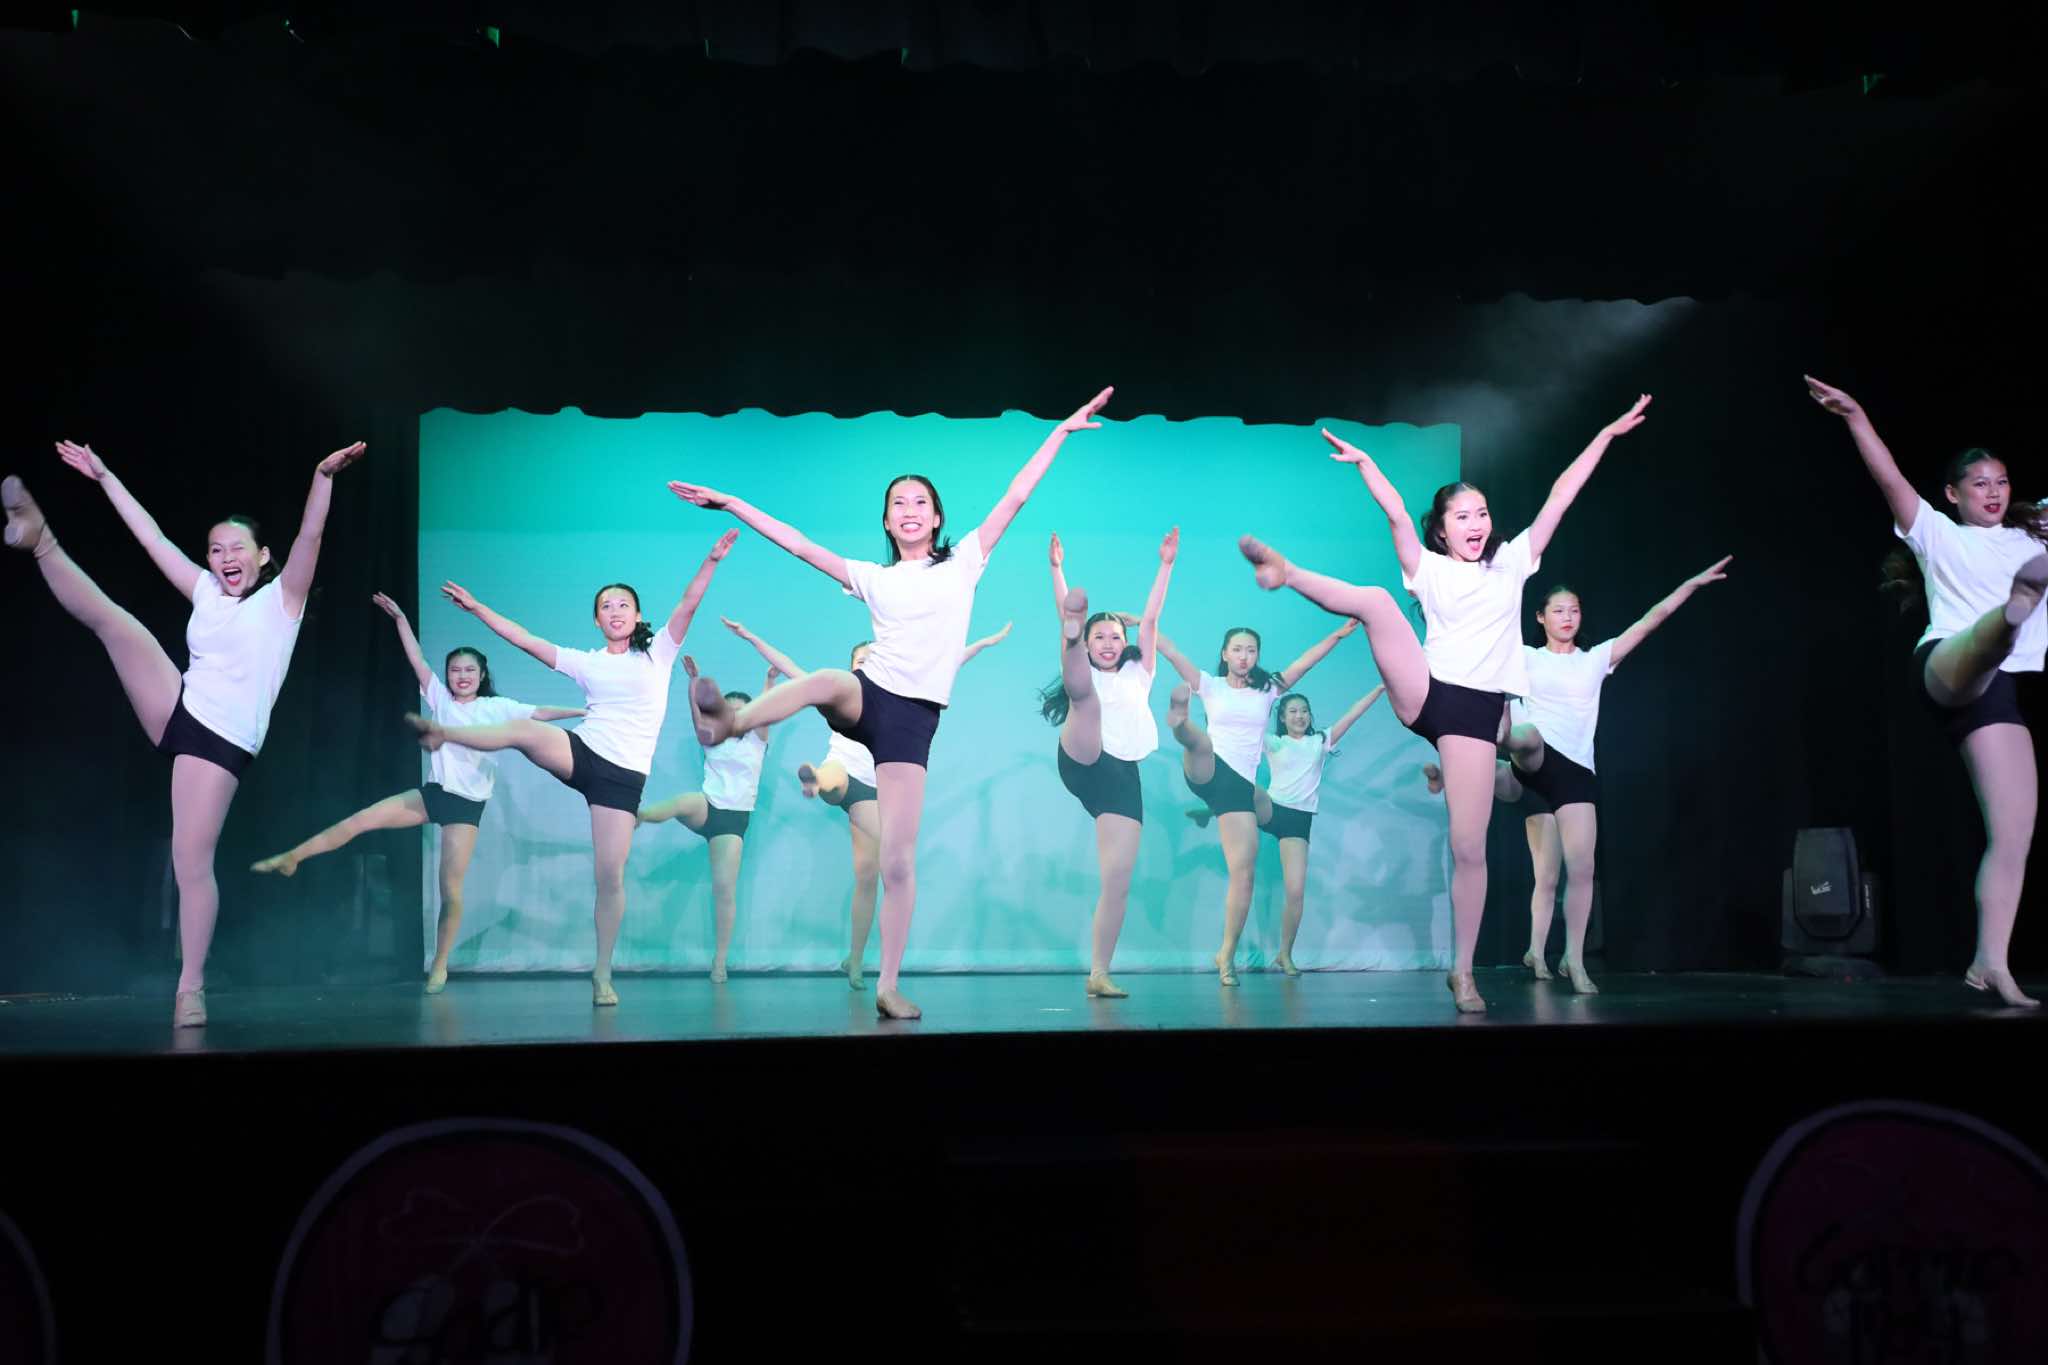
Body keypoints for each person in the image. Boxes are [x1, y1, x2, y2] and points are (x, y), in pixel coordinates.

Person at [670, 386, 1114, 1019]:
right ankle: (731, 722)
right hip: (871, 692)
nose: (909, 510)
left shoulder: (965, 561)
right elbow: (798, 544)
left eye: (920, 502)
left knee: (898, 862)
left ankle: (888, 983)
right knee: (828, 680)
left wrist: (1060, 433)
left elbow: (1016, 495)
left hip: (912, 722)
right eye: (897, 503)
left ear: (936, 518)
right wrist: (734, 503)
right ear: (886, 521)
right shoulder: (872, 577)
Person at [1240, 397, 1652, 1011]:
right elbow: (1396, 515)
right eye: (1462, 516)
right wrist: (1368, 466)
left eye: (1482, 513)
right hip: (1429, 690)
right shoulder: (1428, 568)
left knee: (1468, 847)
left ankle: (1462, 972)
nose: (1475, 523)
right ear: (1442, 530)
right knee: (1378, 601)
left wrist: (1606, 435)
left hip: (1475, 716)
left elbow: (1560, 497)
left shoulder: (1511, 563)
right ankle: (1288, 573)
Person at [4, 436, 365, 1026]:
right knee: (116, 623)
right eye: (215, 549)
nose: (225, 557)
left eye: (237, 548)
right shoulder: (206, 592)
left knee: (190, 862)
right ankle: (40, 538)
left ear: (263, 556)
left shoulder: (282, 603)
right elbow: (151, 538)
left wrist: (322, 478)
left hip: (220, 740)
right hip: (179, 703)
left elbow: (310, 537)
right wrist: (104, 475)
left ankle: (190, 987)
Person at [405, 530, 739, 1006]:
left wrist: (712, 559)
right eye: (606, 606)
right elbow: (526, 640)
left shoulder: (659, 654)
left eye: (623, 604)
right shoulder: (587, 662)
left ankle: (602, 973)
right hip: (583, 752)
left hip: (622, 778)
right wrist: (477, 609)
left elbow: (688, 603)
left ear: (637, 615)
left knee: (610, 876)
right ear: (597, 620)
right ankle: (446, 733)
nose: (615, 610)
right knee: (524, 730)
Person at [1808, 374, 2047, 1007]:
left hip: (1996, 695)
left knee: (2014, 833)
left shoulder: (2032, 536)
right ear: (1953, 494)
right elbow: (1888, 477)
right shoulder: (1937, 532)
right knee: (1986, 642)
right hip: (1946, 664)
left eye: (2002, 482)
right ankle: (2009, 615)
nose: (1993, 493)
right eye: (1980, 484)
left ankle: (1989, 962)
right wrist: (1855, 416)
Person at [252, 593, 584, 993]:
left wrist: (581, 711)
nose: (462, 676)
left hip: (465, 807)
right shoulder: (440, 698)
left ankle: (440, 966)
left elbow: (541, 713)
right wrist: (400, 619)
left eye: (470, 670)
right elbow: (416, 660)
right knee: (360, 821)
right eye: (455, 670)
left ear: (482, 675)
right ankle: (293, 857)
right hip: (433, 794)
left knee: (451, 891)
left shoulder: (497, 708)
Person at [1427, 560, 1730, 994]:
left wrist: (1691, 584)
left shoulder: (1595, 660)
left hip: (1575, 773)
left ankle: (1574, 957)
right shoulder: (1526, 657)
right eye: (1558, 611)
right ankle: (1491, 744)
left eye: (1574, 610)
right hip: (1535, 757)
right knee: (1527, 738)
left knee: (1583, 867)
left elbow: (1651, 620)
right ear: (1541, 617)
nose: (1567, 618)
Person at [721, 619, 1010, 990]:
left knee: (867, 875)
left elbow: (946, 664)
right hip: (842, 773)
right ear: (851, 667)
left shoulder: (897, 696)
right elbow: (792, 669)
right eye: (860, 660)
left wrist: (982, 644)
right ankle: (816, 779)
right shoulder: (840, 693)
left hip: (872, 792)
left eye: (872, 659)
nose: (865, 664)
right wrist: (752, 637)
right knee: (834, 775)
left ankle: (854, 961)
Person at [1156, 617, 1355, 987]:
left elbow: (1305, 663)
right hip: (1209, 769)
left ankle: (1225, 953)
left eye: (1250, 650)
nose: (1244, 656)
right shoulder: (1209, 684)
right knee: (1200, 744)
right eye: (1237, 649)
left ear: (1257, 656)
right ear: (1224, 654)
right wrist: (1144, 623)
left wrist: (1337, 635)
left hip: (1237, 789)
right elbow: (1170, 651)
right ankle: (1180, 723)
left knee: (1243, 873)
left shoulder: (1268, 690)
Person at [1039, 527, 1178, 997]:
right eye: (1097, 636)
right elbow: (1066, 618)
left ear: (1125, 641)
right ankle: (1070, 632)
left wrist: (1166, 564)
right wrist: (1057, 569)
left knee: (1117, 880)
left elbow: (1152, 618)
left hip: (1120, 776)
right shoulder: (1087, 665)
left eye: (1114, 636)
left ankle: (1098, 973)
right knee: (1085, 698)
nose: (1108, 642)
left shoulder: (1141, 671)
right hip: (1081, 756)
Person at [636, 653, 781, 984]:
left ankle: (720, 959)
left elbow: (767, 708)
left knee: (723, 889)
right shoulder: (712, 737)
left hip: (732, 820)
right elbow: (696, 713)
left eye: (741, 710)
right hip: (708, 806)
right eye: (728, 709)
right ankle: (640, 816)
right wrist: (693, 681)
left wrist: (770, 681)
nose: (734, 714)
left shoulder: (757, 741)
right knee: (683, 801)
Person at [1252, 684, 1385, 975]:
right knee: (1248, 789)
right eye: (1292, 711)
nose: (1299, 716)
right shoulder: (1274, 742)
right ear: (1282, 717)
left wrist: (1378, 690)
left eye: (1304, 711)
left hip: (1297, 820)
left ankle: (1284, 954)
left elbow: (1353, 715)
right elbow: (1244, 724)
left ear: (1310, 716)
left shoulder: (1320, 741)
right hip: (1273, 808)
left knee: (1295, 891)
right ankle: (1213, 809)